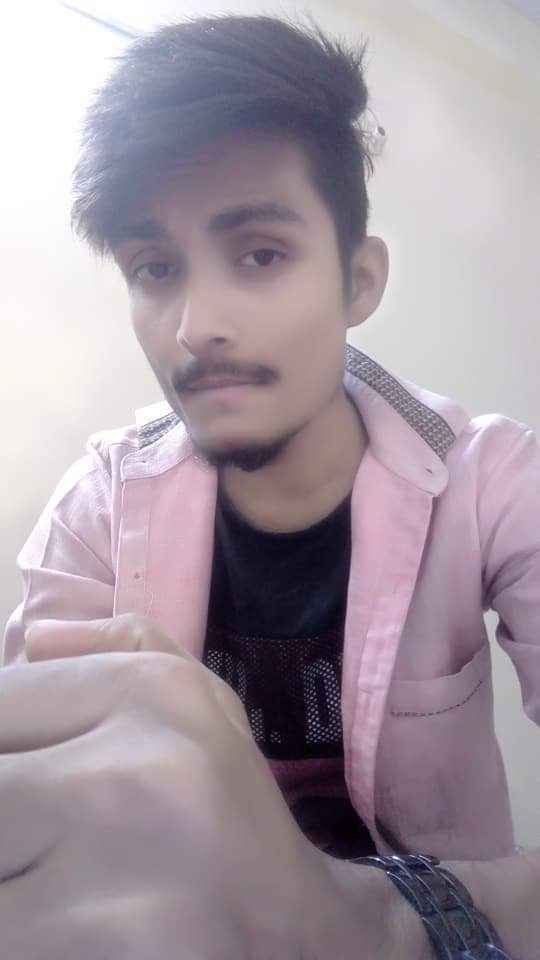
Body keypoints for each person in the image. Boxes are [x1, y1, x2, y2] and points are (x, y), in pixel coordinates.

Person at [2, 14, 539, 959]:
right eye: (155, 268)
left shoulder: (492, 480)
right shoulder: (98, 507)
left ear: (359, 280)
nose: (194, 325)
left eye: (259, 254)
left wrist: (380, 917)